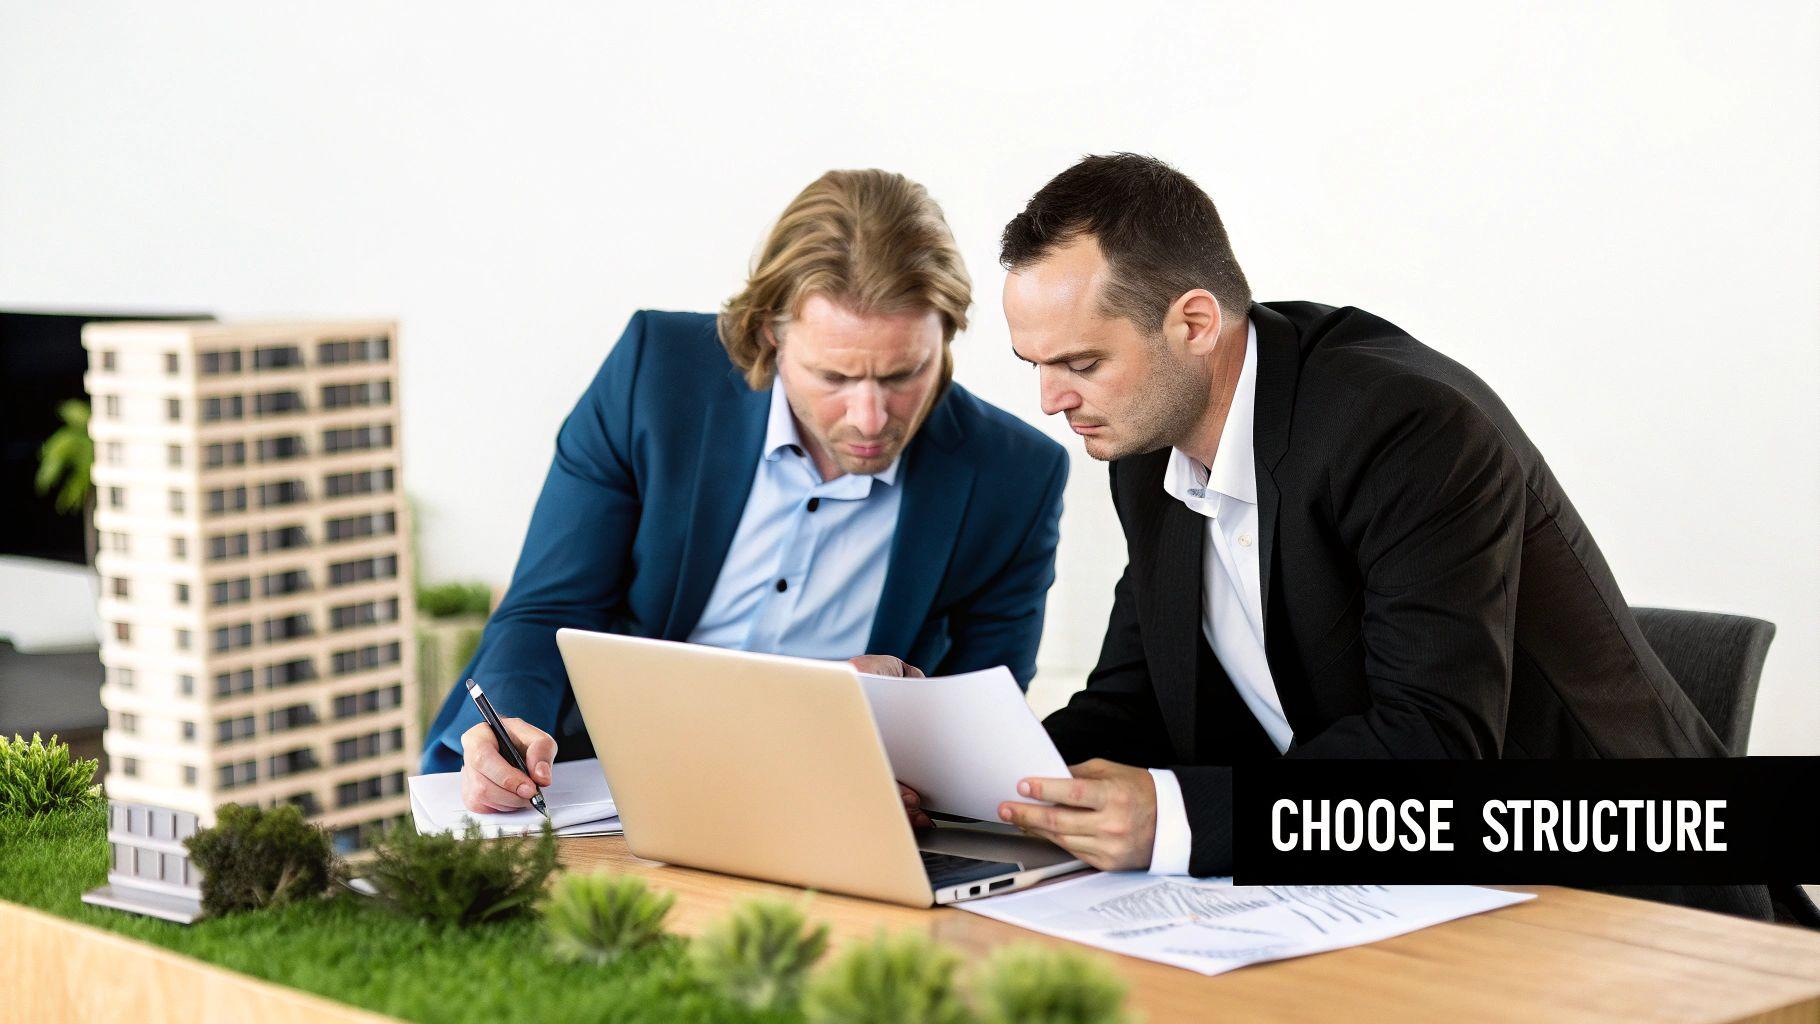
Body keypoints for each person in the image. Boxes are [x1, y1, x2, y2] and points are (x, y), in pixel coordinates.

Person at [978, 152, 1766, 919]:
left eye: (1080, 362)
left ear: (1193, 323)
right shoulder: (1148, 443)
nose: (1052, 400)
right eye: (1036, 365)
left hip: (1612, 897)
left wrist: (1178, 818)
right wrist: (974, 783)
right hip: (1372, 895)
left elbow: (1433, 749)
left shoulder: (1405, 429)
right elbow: (1134, 702)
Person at [421, 169, 1068, 819]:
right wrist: (507, 723)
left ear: (948, 335)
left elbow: (985, 736)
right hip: (602, 783)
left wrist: (900, 735)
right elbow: (550, 607)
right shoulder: (657, 377)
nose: (871, 419)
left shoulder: (1015, 478)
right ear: (769, 334)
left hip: (826, 806)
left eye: (905, 374)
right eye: (834, 376)